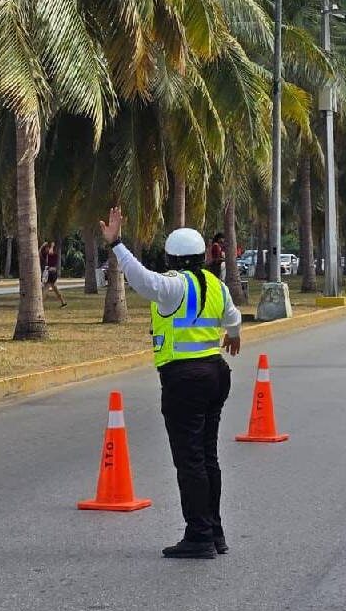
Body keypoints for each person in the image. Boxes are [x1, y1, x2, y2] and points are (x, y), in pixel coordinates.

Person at [99, 207, 241, 559]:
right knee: (208, 456)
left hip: (185, 379)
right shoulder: (215, 284)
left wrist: (116, 242)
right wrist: (233, 336)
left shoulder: (173, 286)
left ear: (172, 257)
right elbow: (233, 317)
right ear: (202, 255)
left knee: (190, 459)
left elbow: (140, 277)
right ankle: (215, 532)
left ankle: (199, 537)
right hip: (215, 373)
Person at [39, 242, 67, 307]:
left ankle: (40, 305)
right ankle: (63, 302)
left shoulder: (54, 255)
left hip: (52, 274)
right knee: (55, 288)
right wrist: (42, 246)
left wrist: (51, 246)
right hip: (49, 273)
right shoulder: (45, 255)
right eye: (45, 248)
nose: (46, 249)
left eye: (47, 248)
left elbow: (50, 253)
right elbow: (38, 253)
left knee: (46, 288)